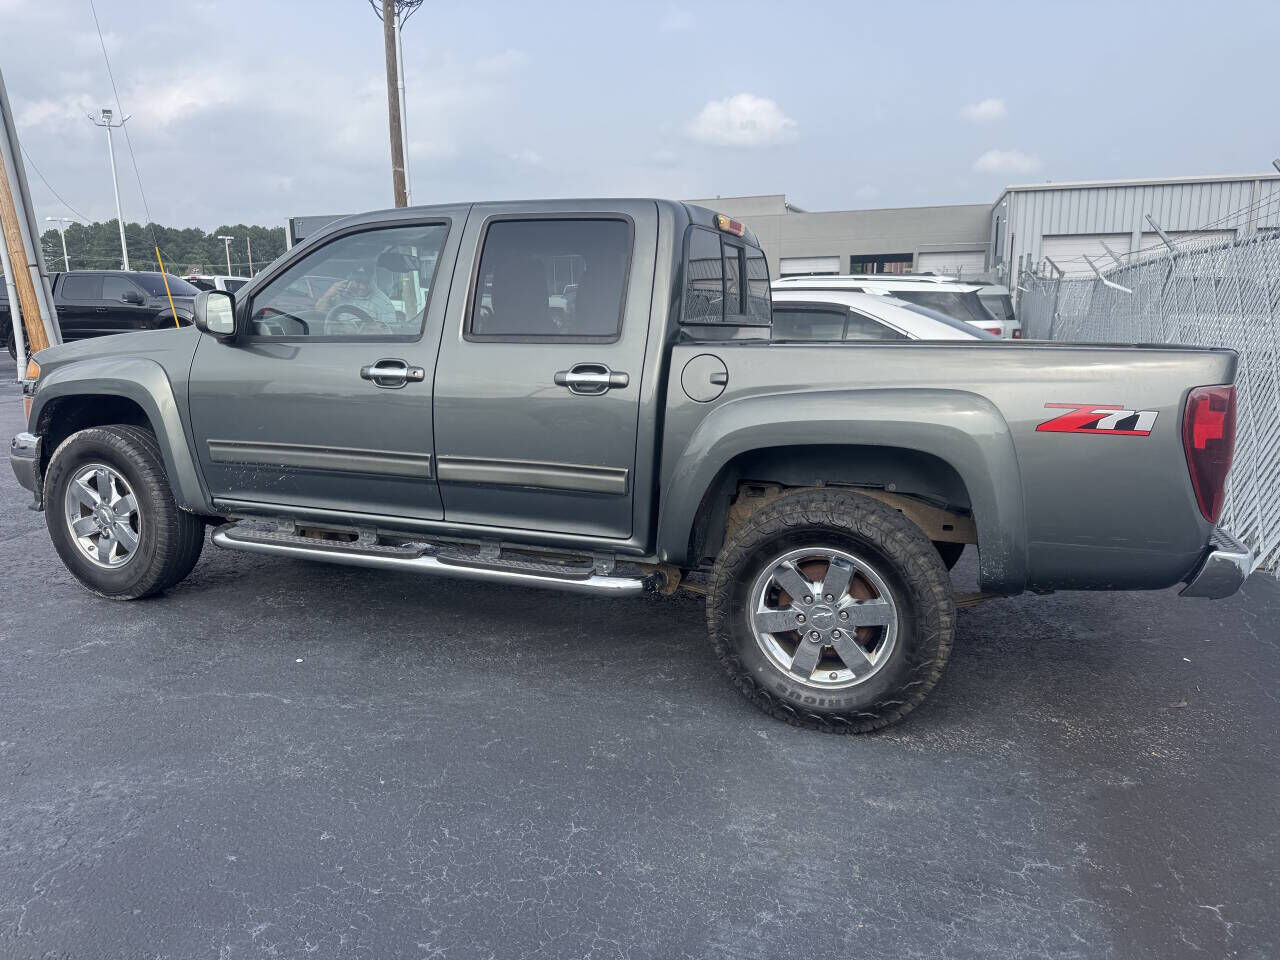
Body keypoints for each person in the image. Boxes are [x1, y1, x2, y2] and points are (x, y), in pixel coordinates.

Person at [314, 264, 398, 327]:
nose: (362, 287)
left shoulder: (382, 302)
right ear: (348, 280)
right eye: (358, 282)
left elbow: (389, 330)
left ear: (373, 281)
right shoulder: (338, 293)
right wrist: (327, 295)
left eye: (366, 282)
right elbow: (319, 316)